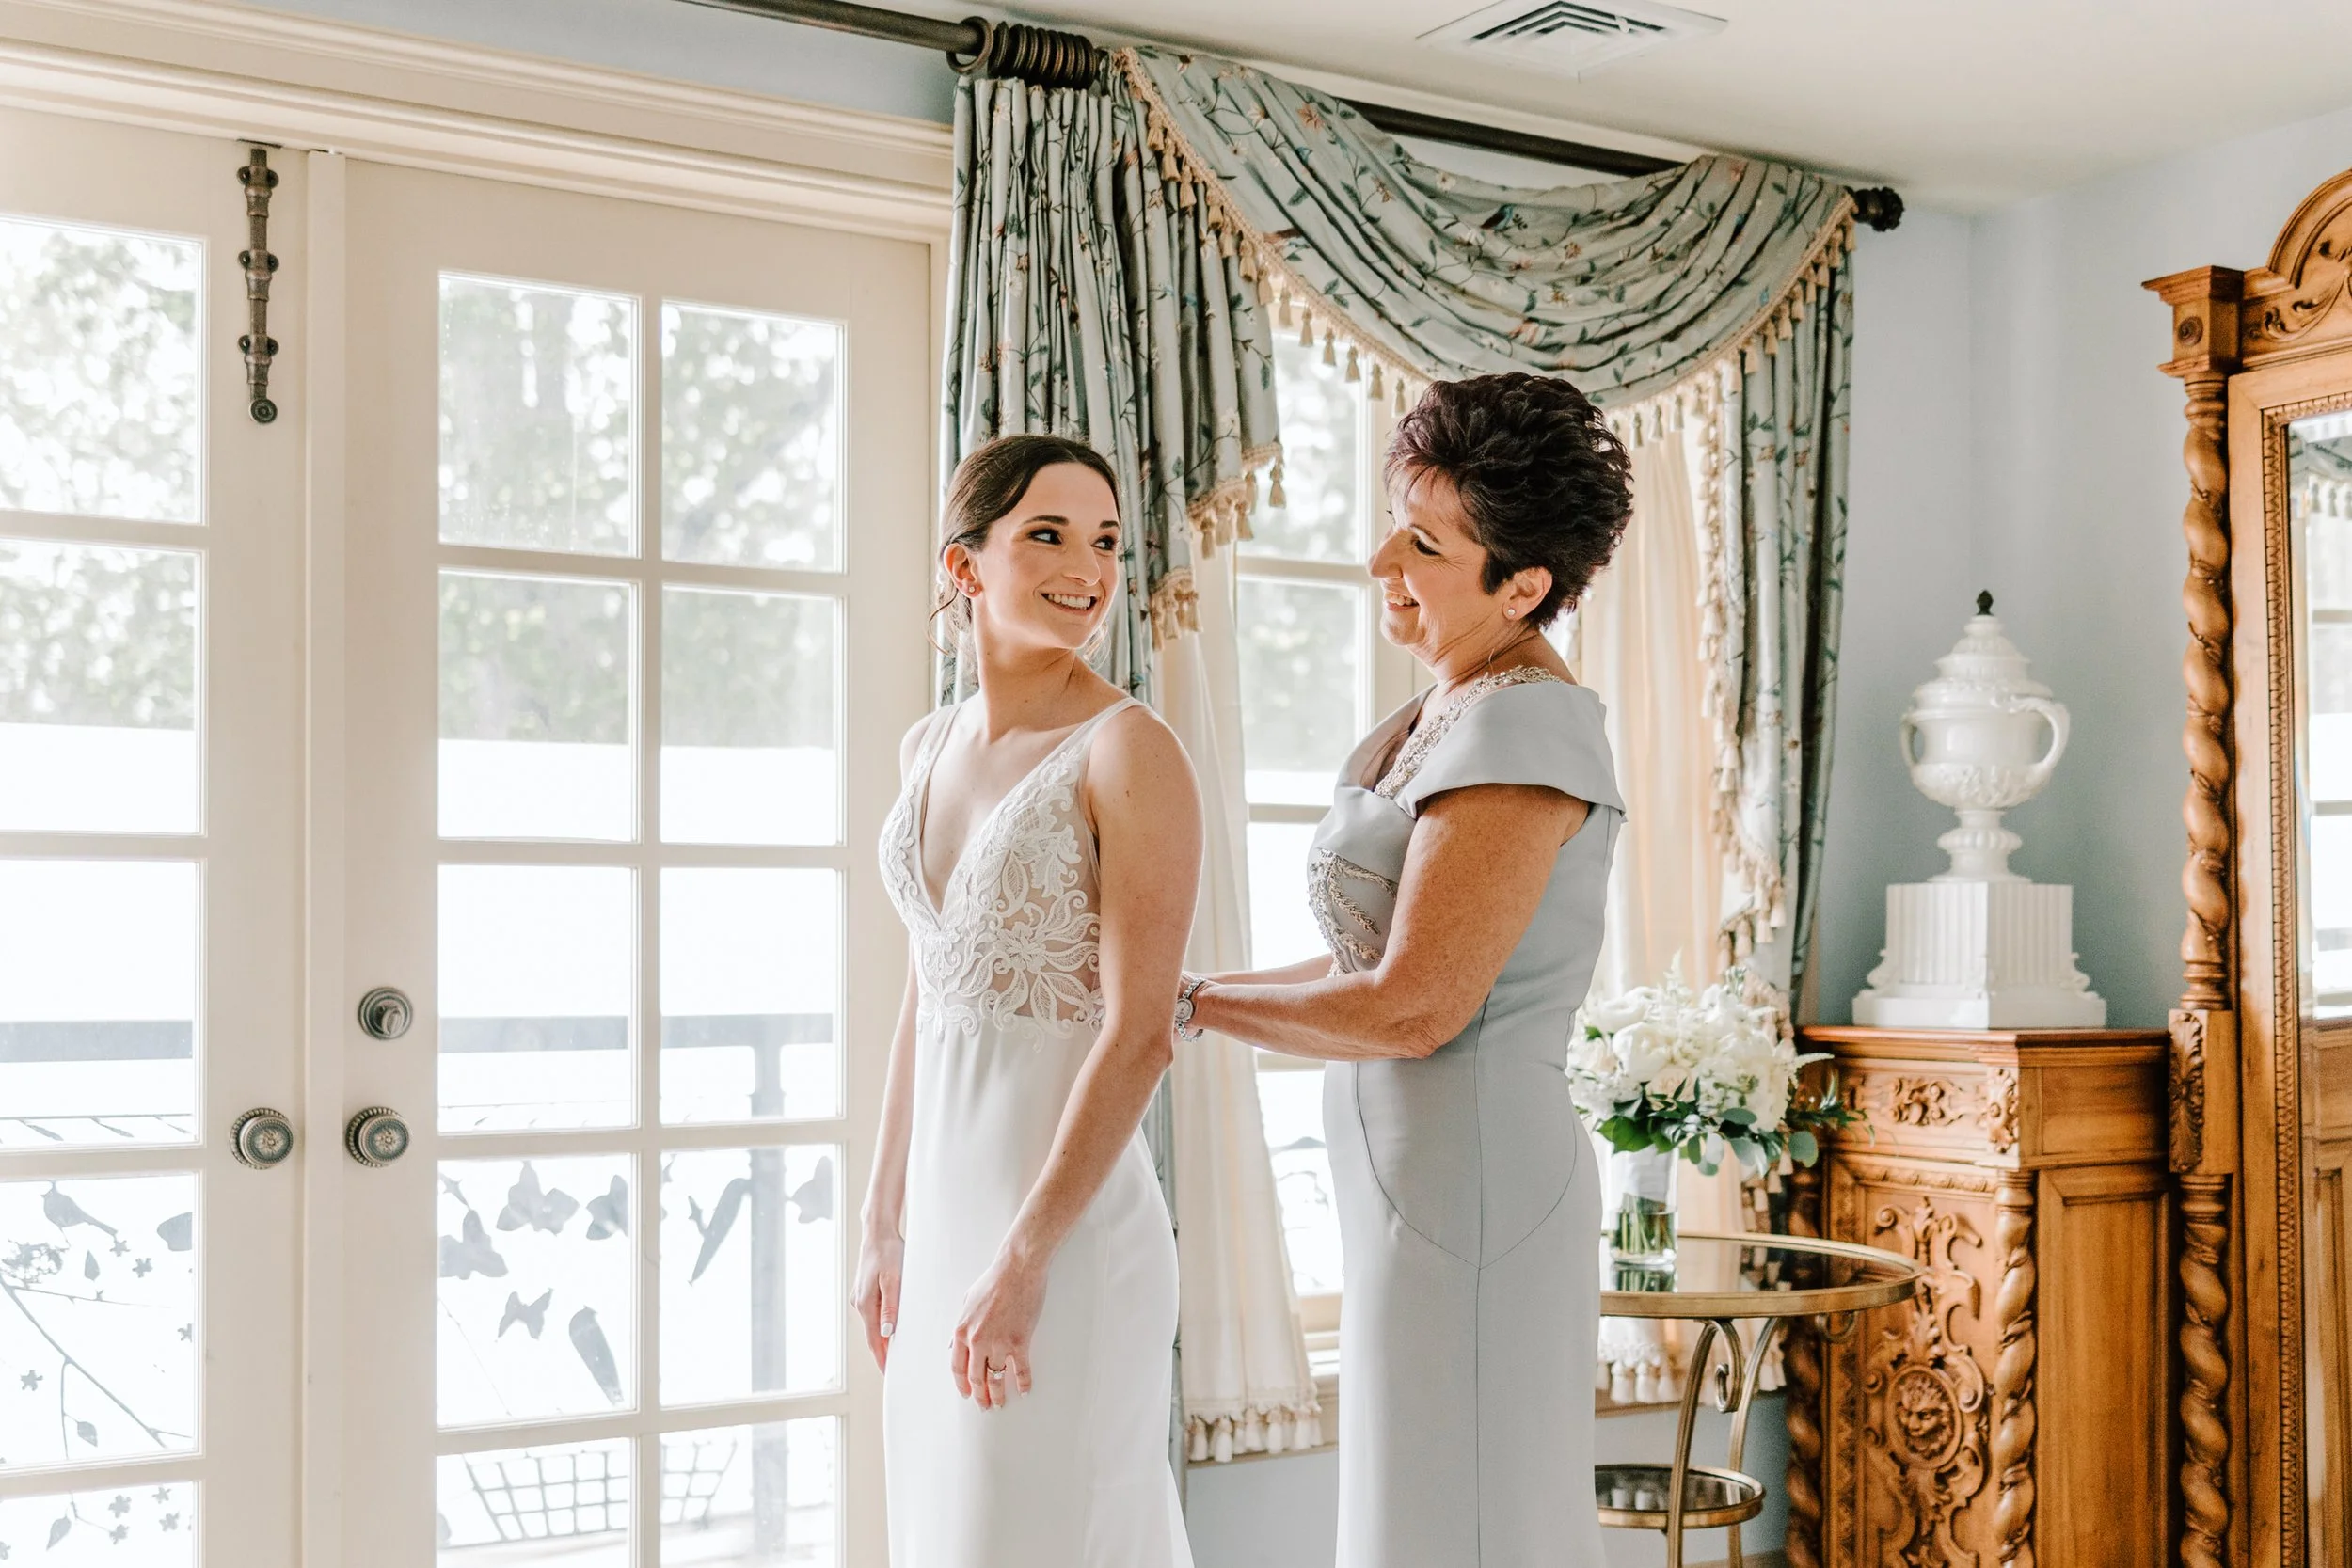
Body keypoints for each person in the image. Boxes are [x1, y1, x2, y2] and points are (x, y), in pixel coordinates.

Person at [1177, 373, 1632, 1567]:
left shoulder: (1523, 731)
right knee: (1416, 1503)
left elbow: (1417, 1005)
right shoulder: (1443, 707)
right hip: (1411, 1184)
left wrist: (1186, 1006)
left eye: (1424, 541)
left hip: (1476, 1182)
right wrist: (1192, 997)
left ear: (1523, 585)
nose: (1382, 552)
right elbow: (1367, 960)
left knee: (1465, 1515)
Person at [858, 433, 1200, 1568]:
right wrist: (882, 1222)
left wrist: (1023, 1259)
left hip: (1065, 1236)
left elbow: (1140, 1033)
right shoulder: (928, 742)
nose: (1086, 566)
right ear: (966, 565)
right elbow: (930, 989)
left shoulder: (1129, 750)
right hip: (948, 1221)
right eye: (1046, 534)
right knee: (947, 1536)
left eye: (1103, 540)